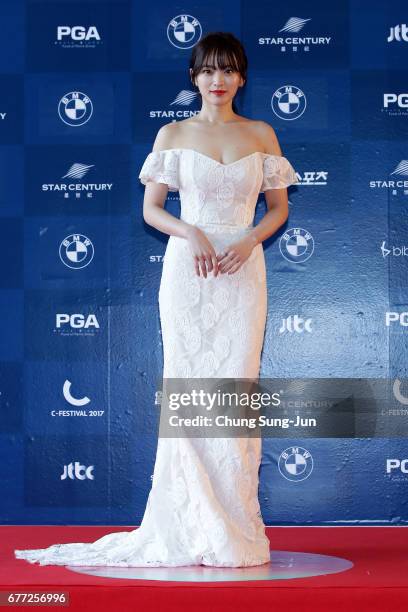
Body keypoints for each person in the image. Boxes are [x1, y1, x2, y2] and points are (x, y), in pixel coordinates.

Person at [14, 31, 298, 567]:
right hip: (188, 271)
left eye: (229, 70)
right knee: (188, 385)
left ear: (242, 77)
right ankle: (188, 525)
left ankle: (234, 526)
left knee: (234, 390)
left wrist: (247, 238)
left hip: (241, 269)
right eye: (208, 70)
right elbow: (151, 209)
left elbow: (278, 210)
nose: (218, 80)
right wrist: (190, 233)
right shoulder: (171, 133)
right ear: (194, 77)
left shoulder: (263, 133)